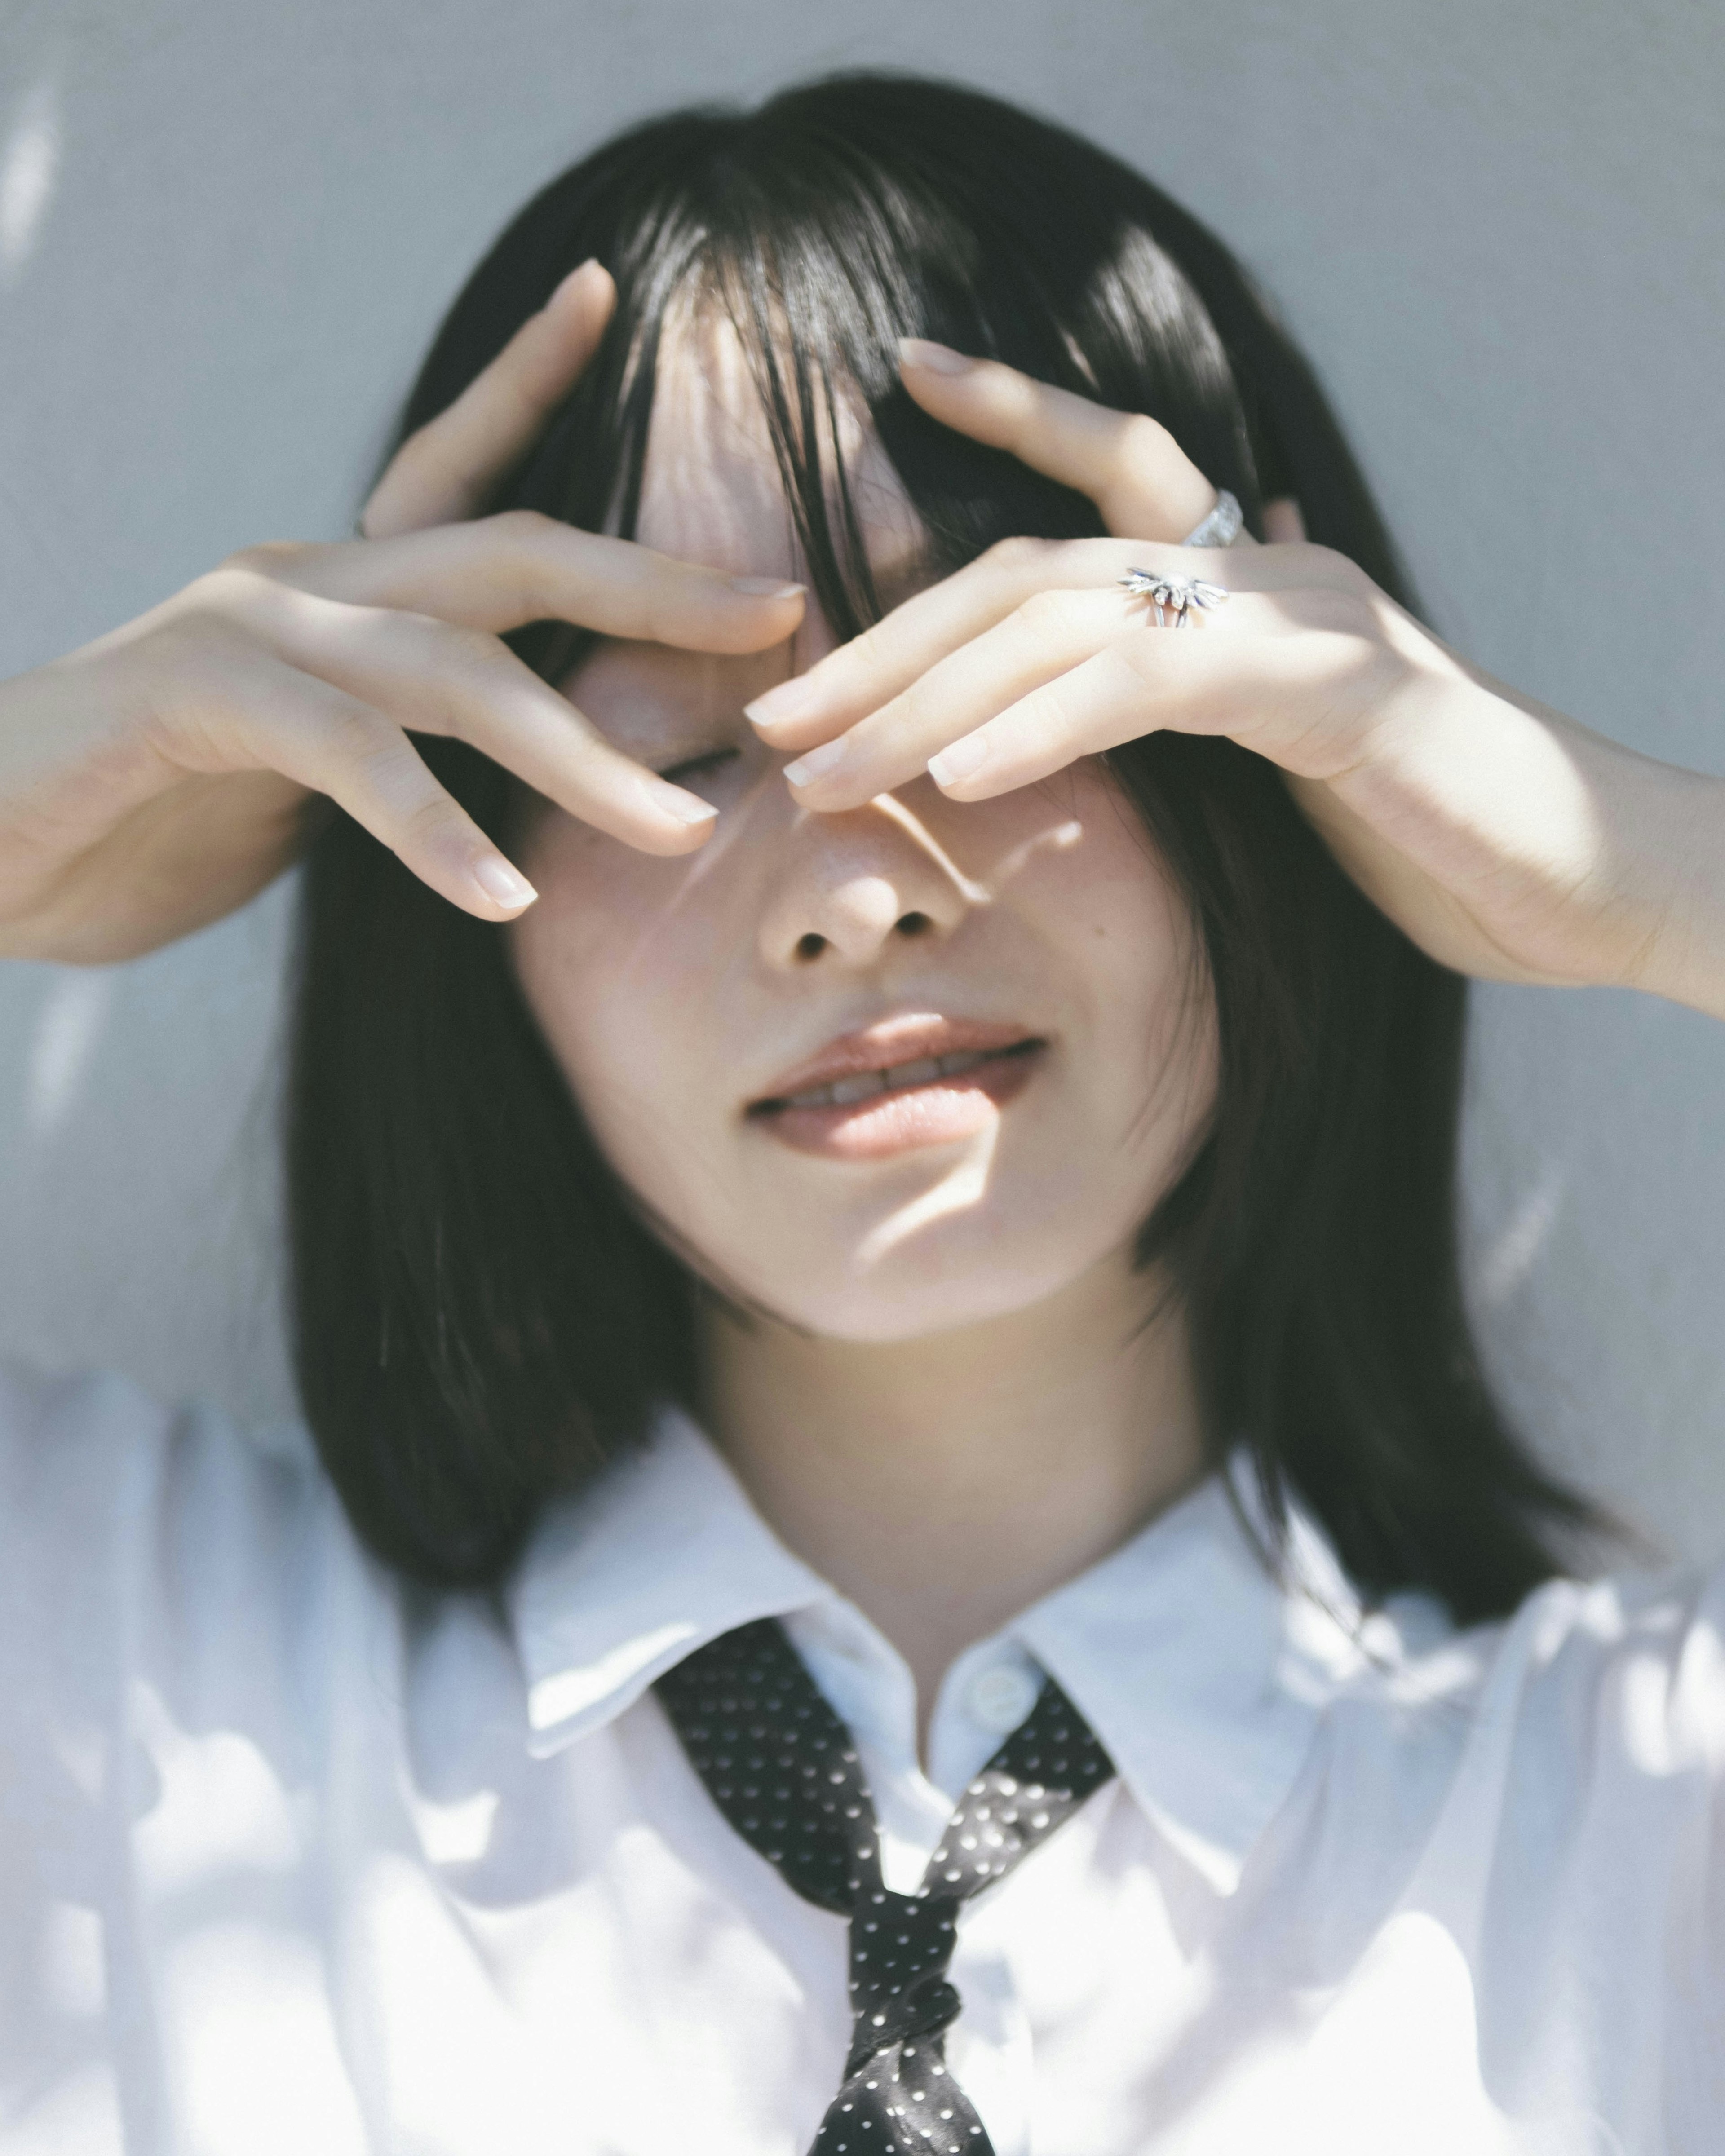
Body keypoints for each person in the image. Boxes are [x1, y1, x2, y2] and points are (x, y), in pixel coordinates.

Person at [0, 71, 1720, 2156]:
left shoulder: (1639, 1819)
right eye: (681, 756)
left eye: (987, 687)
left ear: (1267, 746)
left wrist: (1619, 858)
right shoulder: (109, 1676)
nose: (862, 886)